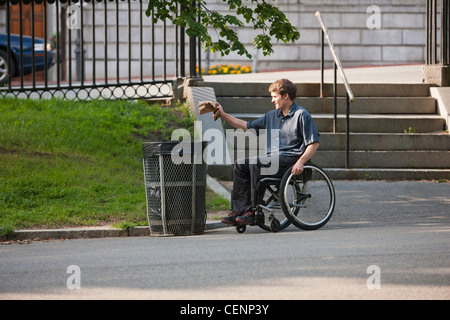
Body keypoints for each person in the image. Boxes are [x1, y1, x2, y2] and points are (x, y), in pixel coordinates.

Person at [215, 79, 320, 225]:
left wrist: (301, 162)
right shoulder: (272, 116)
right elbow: (246, 126)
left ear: (286, 96)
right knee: (240, 164)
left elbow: (313, 143)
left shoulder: (302, 115)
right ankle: (240, 211)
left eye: (274, 96)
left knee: (257, 163)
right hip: (273, 159)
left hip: (291, 159)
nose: (272, 100)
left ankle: (253, 211)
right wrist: (222, 115)